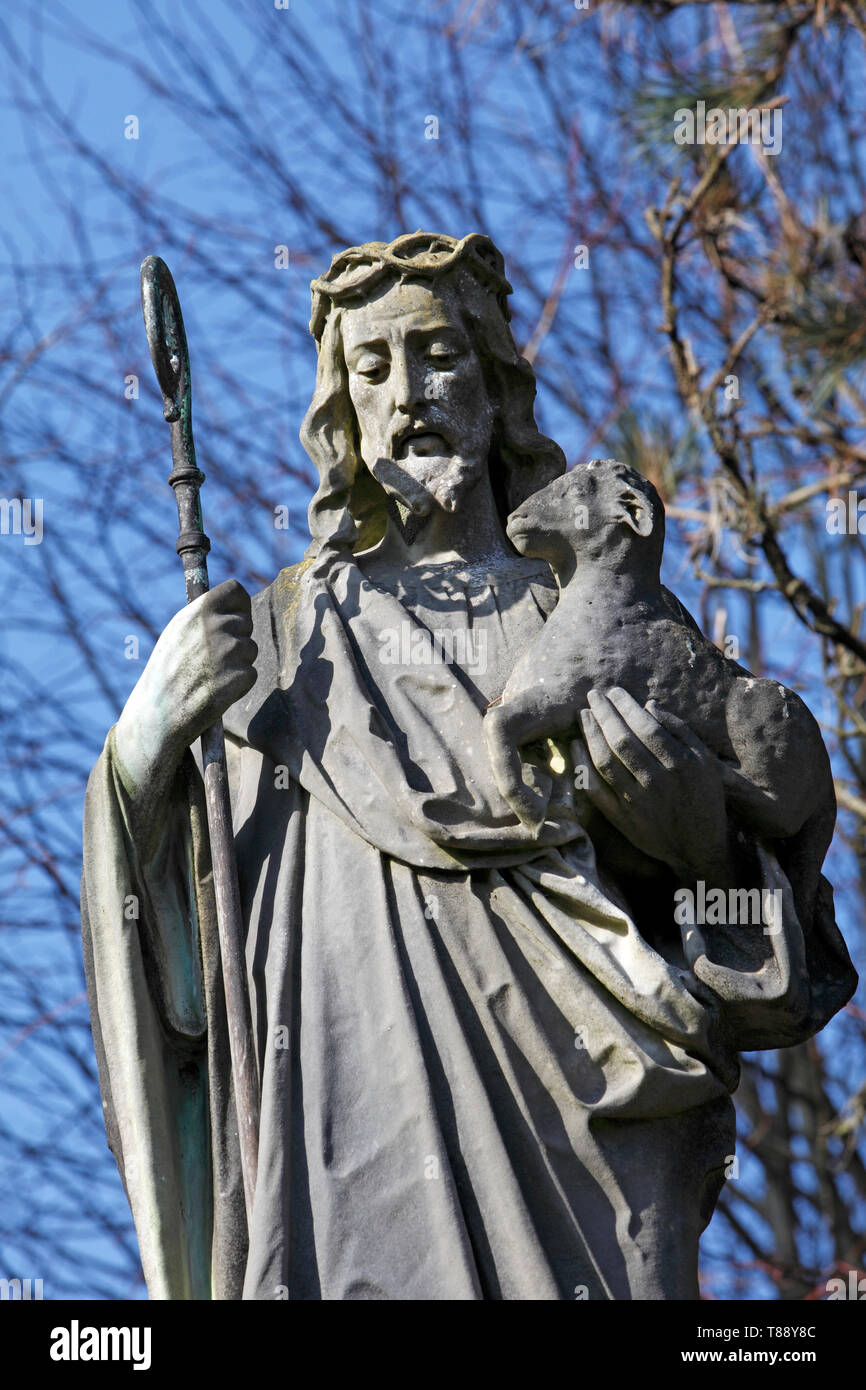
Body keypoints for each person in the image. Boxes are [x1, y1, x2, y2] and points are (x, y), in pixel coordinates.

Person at [81, 230, 856, 1300]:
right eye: (370, 366)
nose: (406, 393)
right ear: (339, 407)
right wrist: (143, 754)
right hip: (350, 1124)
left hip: (587, 1142)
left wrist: (694, 837)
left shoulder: (598, 613)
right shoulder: (273, 648)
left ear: (492, 382)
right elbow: (188, 968)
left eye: (436, 355)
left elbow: (778, 967)